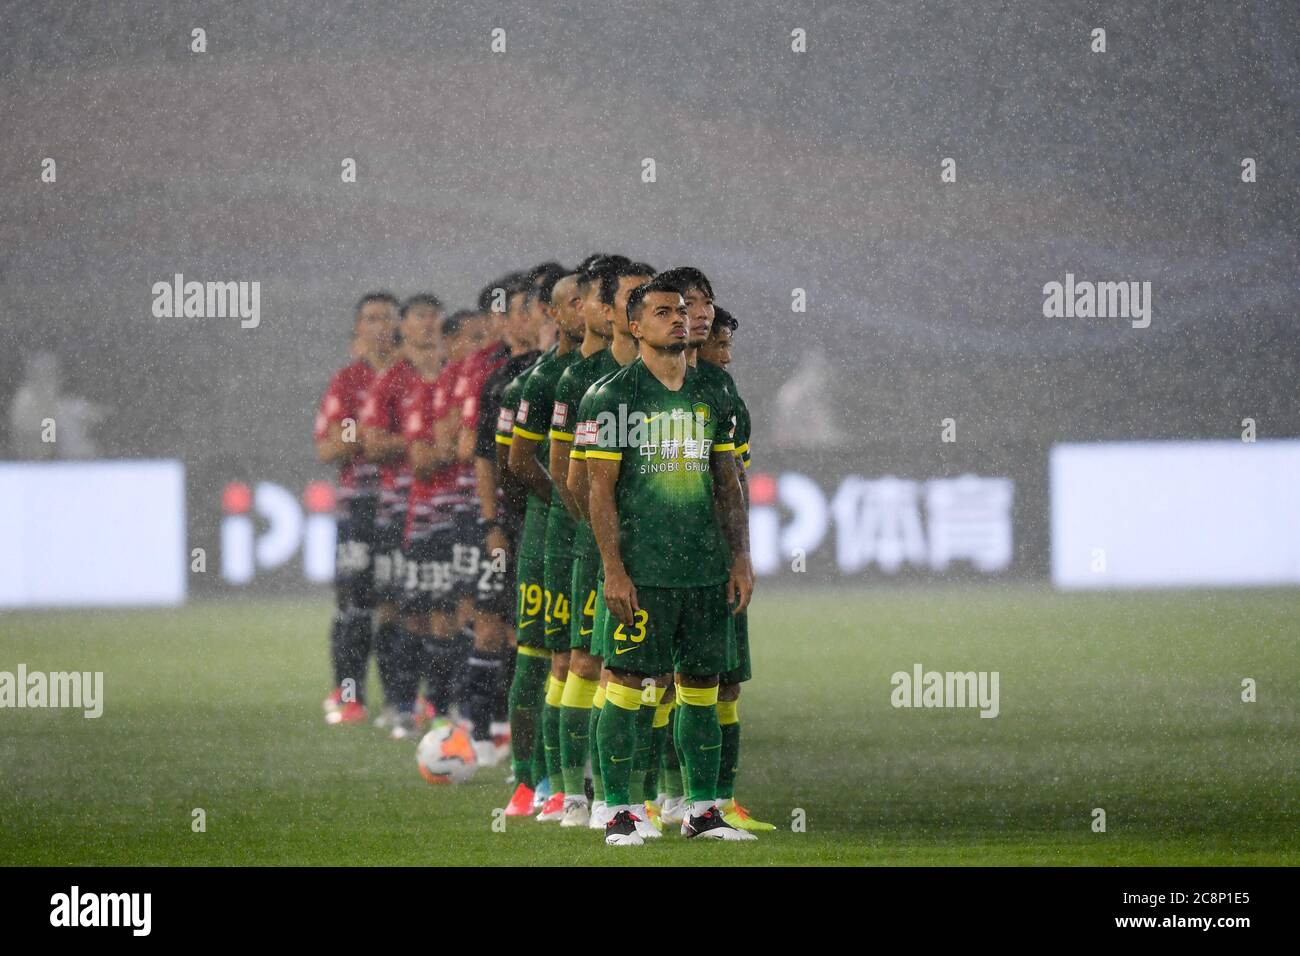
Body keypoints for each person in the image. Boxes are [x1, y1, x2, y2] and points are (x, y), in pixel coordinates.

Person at [581, 275, 754, 845]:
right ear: (635, 326)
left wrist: (740, 559)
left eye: (682, 311)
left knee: (701, 686)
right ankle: (619, 808)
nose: (679, 320)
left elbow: (728, 484)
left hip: (704, 568)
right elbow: (599, 490)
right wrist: (613, 568)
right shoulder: (612, 397)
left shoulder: (715, 393)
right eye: (662, 313)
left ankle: (703, 811)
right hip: (644, 570)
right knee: (628, 684)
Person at [315, 292, 399, 724]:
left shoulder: (412, 380)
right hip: (360, 505)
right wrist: (360, 440)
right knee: (353, 602)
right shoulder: (348, 382)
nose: (381, 326)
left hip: (404, 505)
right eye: (372, 318)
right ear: (359, 329)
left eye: (387, 318)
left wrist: (380, 441)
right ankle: (349, 694)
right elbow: (328, 446)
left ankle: (400, 701)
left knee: (402, 605)